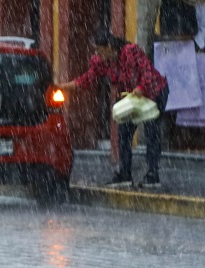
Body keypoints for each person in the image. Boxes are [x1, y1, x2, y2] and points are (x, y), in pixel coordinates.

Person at [58, 32, 168, 188]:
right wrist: (64, 87)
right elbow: (88, 78)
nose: (97, 54)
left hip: (154, 93)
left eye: (99, 50)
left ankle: (152, 174)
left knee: (152, 132)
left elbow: (147, 72)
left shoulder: (130, 51)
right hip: (131, 98)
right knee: (124, 133)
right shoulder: (101, 61)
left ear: (109, 46)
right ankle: (125, 174)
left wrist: (141, 88)